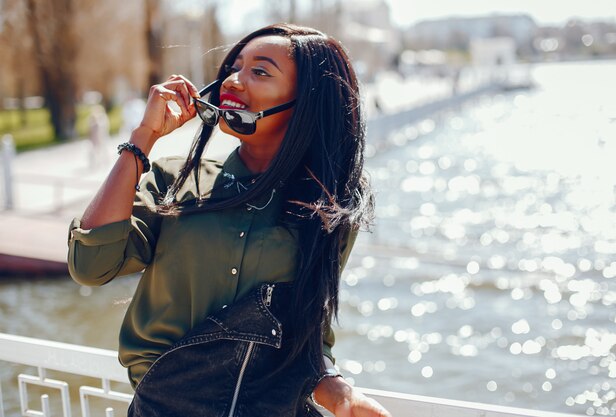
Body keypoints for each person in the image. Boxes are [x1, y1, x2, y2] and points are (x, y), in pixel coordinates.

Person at [67, 23, 390, 417]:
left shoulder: (330, 206)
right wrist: (143, 139)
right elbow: (90, 266)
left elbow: (306, 330)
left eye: (260, 71)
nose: (233, 81)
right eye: (235, 68)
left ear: (306, 100)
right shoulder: (174, 178)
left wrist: (338, 393)